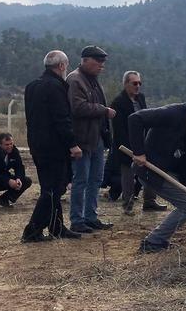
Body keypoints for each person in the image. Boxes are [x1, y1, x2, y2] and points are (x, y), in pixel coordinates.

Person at [129, 89, 186, 253]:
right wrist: (139, 152)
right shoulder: (172, 113)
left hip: (173, 172)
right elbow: (135, 119)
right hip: (151, 169)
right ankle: (153, 242)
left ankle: (158, 240)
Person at [23, 50, 84, 242]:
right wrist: (72, 144)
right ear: (62, 66)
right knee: (53, 190)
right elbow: (61, 119)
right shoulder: (57, 87)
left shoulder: (32, 86)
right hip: (54, 147)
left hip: (37, 144)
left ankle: (56, 227)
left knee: (51, 189)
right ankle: (32, 231)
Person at [66, 45, 116, 234]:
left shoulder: (93, 81)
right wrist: (104, 110)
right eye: (98, 61)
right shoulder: (75, 79)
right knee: (81, 180)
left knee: (96, 179)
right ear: (85, 60)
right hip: (82, 139)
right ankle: (77, 220)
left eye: (103, 62)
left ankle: (91, 217)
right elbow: (78, 107)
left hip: (96, 138)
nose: (101, 65)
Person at [111, 70, 165, 215]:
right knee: (128, 176)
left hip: (144, 143)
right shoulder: (118, 102)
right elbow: (119, 130)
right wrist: (131, 149)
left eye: (139, 83)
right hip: (126, 146)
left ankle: (150, 202)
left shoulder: (141, 98)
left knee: (150, 173)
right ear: (126, 84)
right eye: (134, 83)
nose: (138, 86)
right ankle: (127, 205)